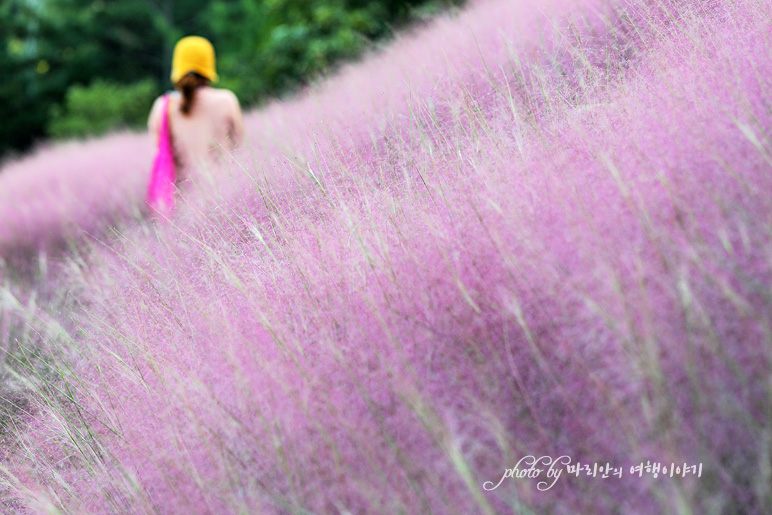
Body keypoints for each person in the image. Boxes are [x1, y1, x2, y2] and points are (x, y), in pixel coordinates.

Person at [148, 36, 244, 181]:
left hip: (182, 198)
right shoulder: (227, 100)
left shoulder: (162, 106)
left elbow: (158, 156)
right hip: (226, 193)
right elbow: (240, 147)